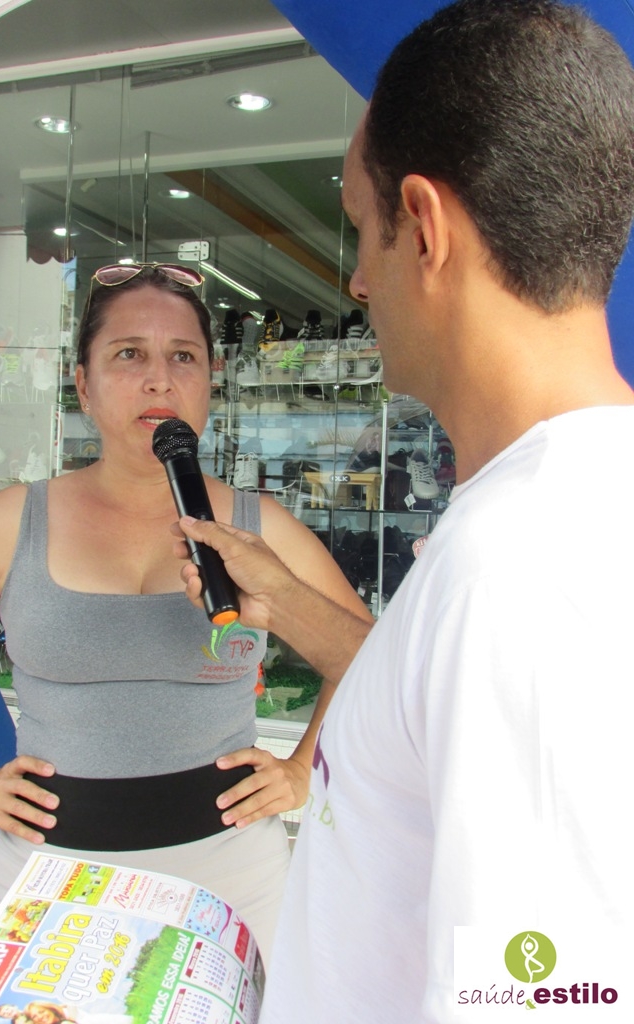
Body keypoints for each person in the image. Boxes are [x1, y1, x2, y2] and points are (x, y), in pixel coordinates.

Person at [174, 2, 634, 1020]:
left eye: (358, 226)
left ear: (422, 228)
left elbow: (544, 1000)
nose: (355, 278)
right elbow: (430, 701)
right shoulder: (552, 518)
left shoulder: (520, 574)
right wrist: (288, 603)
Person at [0, 263, 371, 964]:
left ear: (211, 380)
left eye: (182, 357)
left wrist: (301, 768)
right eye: (129, 354)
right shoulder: (13, 521)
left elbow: (367, 656)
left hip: (233, 877)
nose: (159, 379)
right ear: (83, 383)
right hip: (50, 879)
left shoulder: (263, 528)